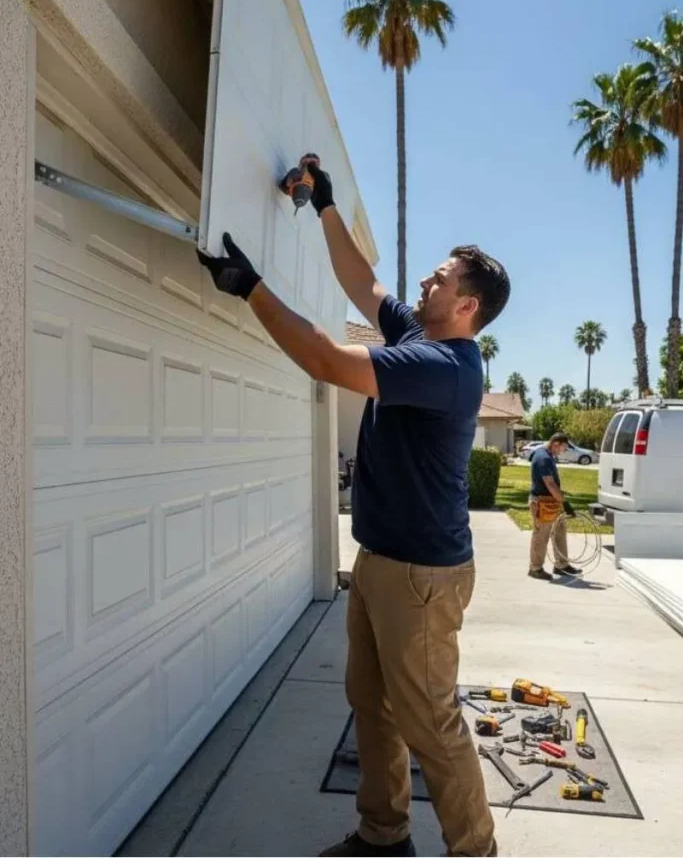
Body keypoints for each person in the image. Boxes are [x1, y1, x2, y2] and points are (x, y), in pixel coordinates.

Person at [198, 156, 510, 858]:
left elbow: (326, 361)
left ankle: (475, 852)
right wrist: (324, 206)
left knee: (430, 722)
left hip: (421, 577)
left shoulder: (444, 368)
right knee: (370, 704)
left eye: (440, 277)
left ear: (466, 305)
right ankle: (382, 836)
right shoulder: (415, 337)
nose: (425, 280)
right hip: (379, 561)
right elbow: (362, 282)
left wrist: (249, 287)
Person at [528, 433, 581, 581]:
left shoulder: (547, 455)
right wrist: (565, 503)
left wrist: (560, 499)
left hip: (551, 501)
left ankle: (562, 565)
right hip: (541, 502)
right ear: (555, 443)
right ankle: (535, 568)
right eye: (563, 448)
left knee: (559, 531)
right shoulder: (543, 458)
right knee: (541, 535)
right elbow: (549, 484)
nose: (562, 451)